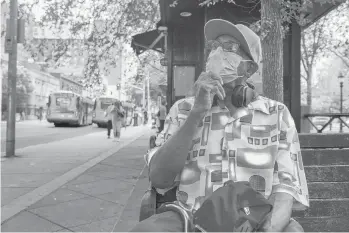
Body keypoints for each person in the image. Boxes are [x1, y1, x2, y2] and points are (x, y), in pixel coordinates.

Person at [131, 19, 309, 232]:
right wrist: (197, 112)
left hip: (253, 219)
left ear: (249, 68)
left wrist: (267, 229)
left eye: (229, 47)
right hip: (191, 218)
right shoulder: (183, 109)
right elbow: (159, 178)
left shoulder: (277, 114)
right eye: (214, 46)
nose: (216, 52)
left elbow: (286, 189)